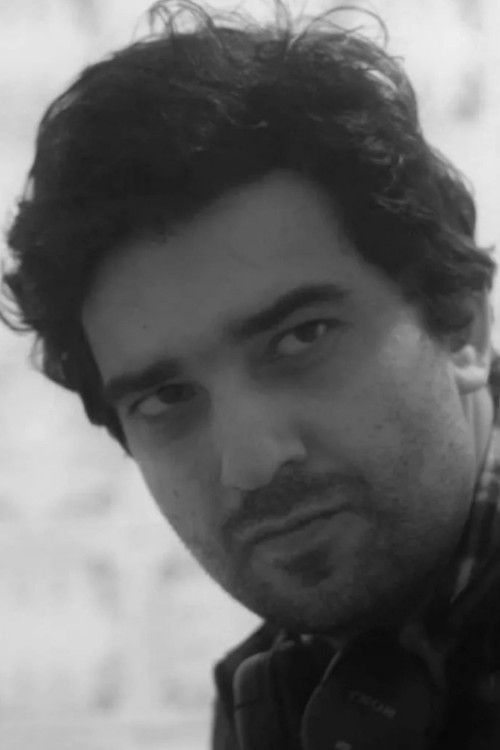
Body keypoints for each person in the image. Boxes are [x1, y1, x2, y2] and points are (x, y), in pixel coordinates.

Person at [2, 1, 500, 746]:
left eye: (302, 338)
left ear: (460, 324)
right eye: (168, 396)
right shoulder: (278, 695)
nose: (251, 461)